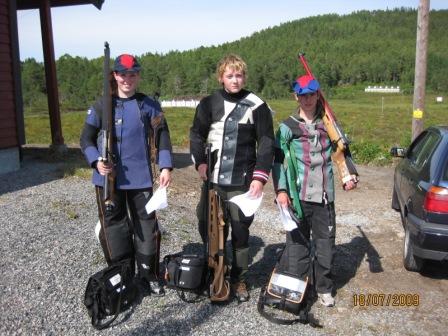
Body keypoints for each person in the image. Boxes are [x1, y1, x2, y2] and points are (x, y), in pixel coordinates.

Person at [80, 54, 173, 296]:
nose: (127, 79)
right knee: (114, 228)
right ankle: (121, 275)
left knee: (147, 228)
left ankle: (148, 274)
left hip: (141, 179)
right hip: (107, 180)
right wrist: (95, 160)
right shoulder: (102, 105)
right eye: (122, 74)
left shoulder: (149, 105)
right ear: (115, 75)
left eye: (132, 74)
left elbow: (162, 135)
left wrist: (165, 166)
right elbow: (86, 139)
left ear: (138, 76)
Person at [189, 54, 274, 302]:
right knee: (208, 225)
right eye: (229, 75)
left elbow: (267, 143)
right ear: (221, 77)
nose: (234, 80)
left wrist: (259, 178)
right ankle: (217, 273)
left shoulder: (257, 105)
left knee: (240, 232)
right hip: (213, 180)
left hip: (242, 182)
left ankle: (240, 279)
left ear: (244, 77)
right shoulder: (209, 103)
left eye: (239, 75)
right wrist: (201, 163)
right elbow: (196, 135)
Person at [272, 74, 357, 307]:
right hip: (298, 198)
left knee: (325, 245)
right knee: (297, 245)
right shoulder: (287, 127)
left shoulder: (329, 126)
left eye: (311, 94)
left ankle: (324, 288)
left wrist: (348, 176)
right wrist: (281, 191)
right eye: (302, 95)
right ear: (296, 96)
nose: (307, 99)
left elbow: (342, 153)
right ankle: (297, 287)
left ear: (317, 95)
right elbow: (277, 161)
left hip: (324, 197)